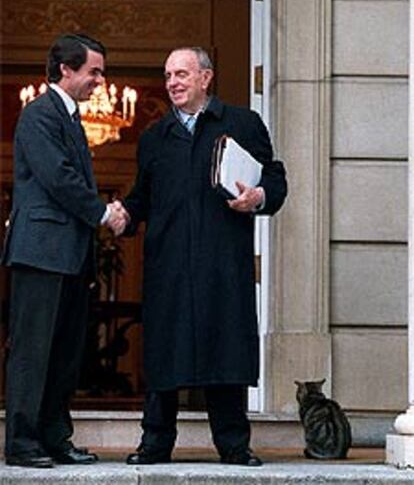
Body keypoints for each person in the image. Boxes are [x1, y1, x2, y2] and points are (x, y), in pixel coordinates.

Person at [121, 47, 287, 466]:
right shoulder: (154, 137)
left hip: (222, 261)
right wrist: (120, 214)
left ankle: (234, 445)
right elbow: (141, 197)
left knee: (225, 347)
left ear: (206, 78)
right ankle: (155, 444)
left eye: (182, 74)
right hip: (169, 263)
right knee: (164, 352)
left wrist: (259, 196)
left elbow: (275, 178)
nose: (173, 82)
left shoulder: (242, 124)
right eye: (168, 75)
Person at [1, 34, 127, 468]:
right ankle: (21, 443)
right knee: (33, 350)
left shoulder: (70, 117)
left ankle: (55, 438)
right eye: (94, 71)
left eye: (101, 72)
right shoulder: (39, 114)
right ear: (65, 71)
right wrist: (102, 213)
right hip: (39, 253)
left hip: (69, 255)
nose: (100, 80)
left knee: (64, 353)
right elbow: (57, 177)